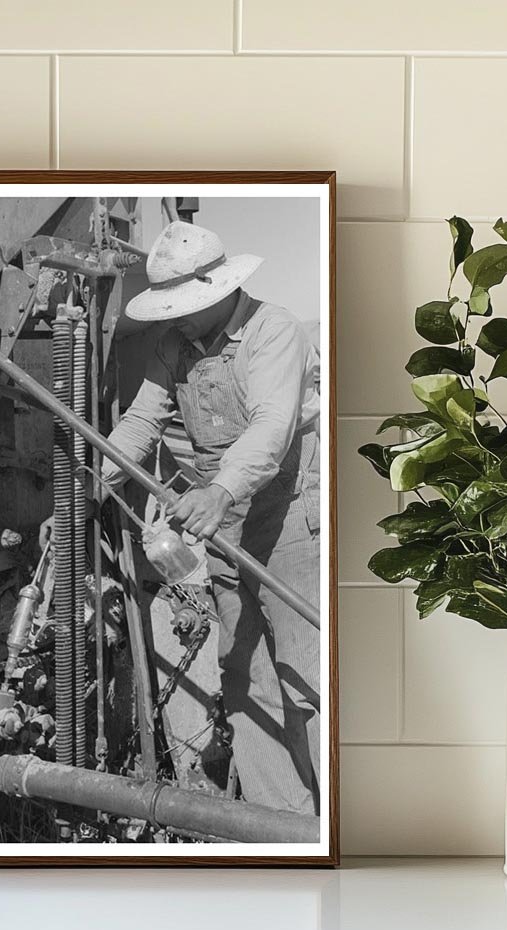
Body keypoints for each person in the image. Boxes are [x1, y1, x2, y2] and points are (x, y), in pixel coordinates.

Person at [102, 219, 321, 817]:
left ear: (221, 289)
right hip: (225, 528)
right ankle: (283, 824)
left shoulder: (273, 331)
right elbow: (143, 421)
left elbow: (271, 428)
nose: (175, 318)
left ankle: (336, 824)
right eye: (168, 308)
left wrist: (219, 490)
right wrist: (93, 480)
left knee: (304, 674)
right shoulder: (174, 345)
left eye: (183, 307)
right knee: (245, 677)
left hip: (287, 519)